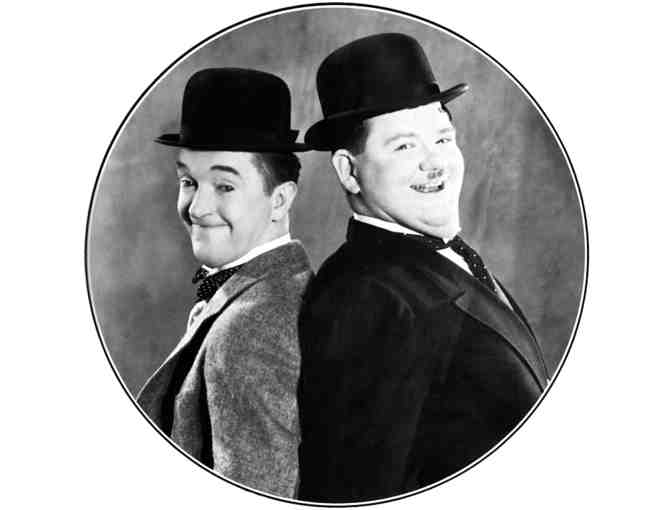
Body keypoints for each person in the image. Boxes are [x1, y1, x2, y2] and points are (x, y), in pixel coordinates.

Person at [297, 33, 550, 503]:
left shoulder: (443, 257)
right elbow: (356, 493)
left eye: (442, 138)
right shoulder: (362, 298)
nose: (436, 162)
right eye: (404, 147)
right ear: (348, 171)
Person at [136, 68, 312, 498]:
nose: (197, 207)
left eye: (225, 185)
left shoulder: (248, 327)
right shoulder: (278, 288)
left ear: (280, 200)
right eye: (188, 182)